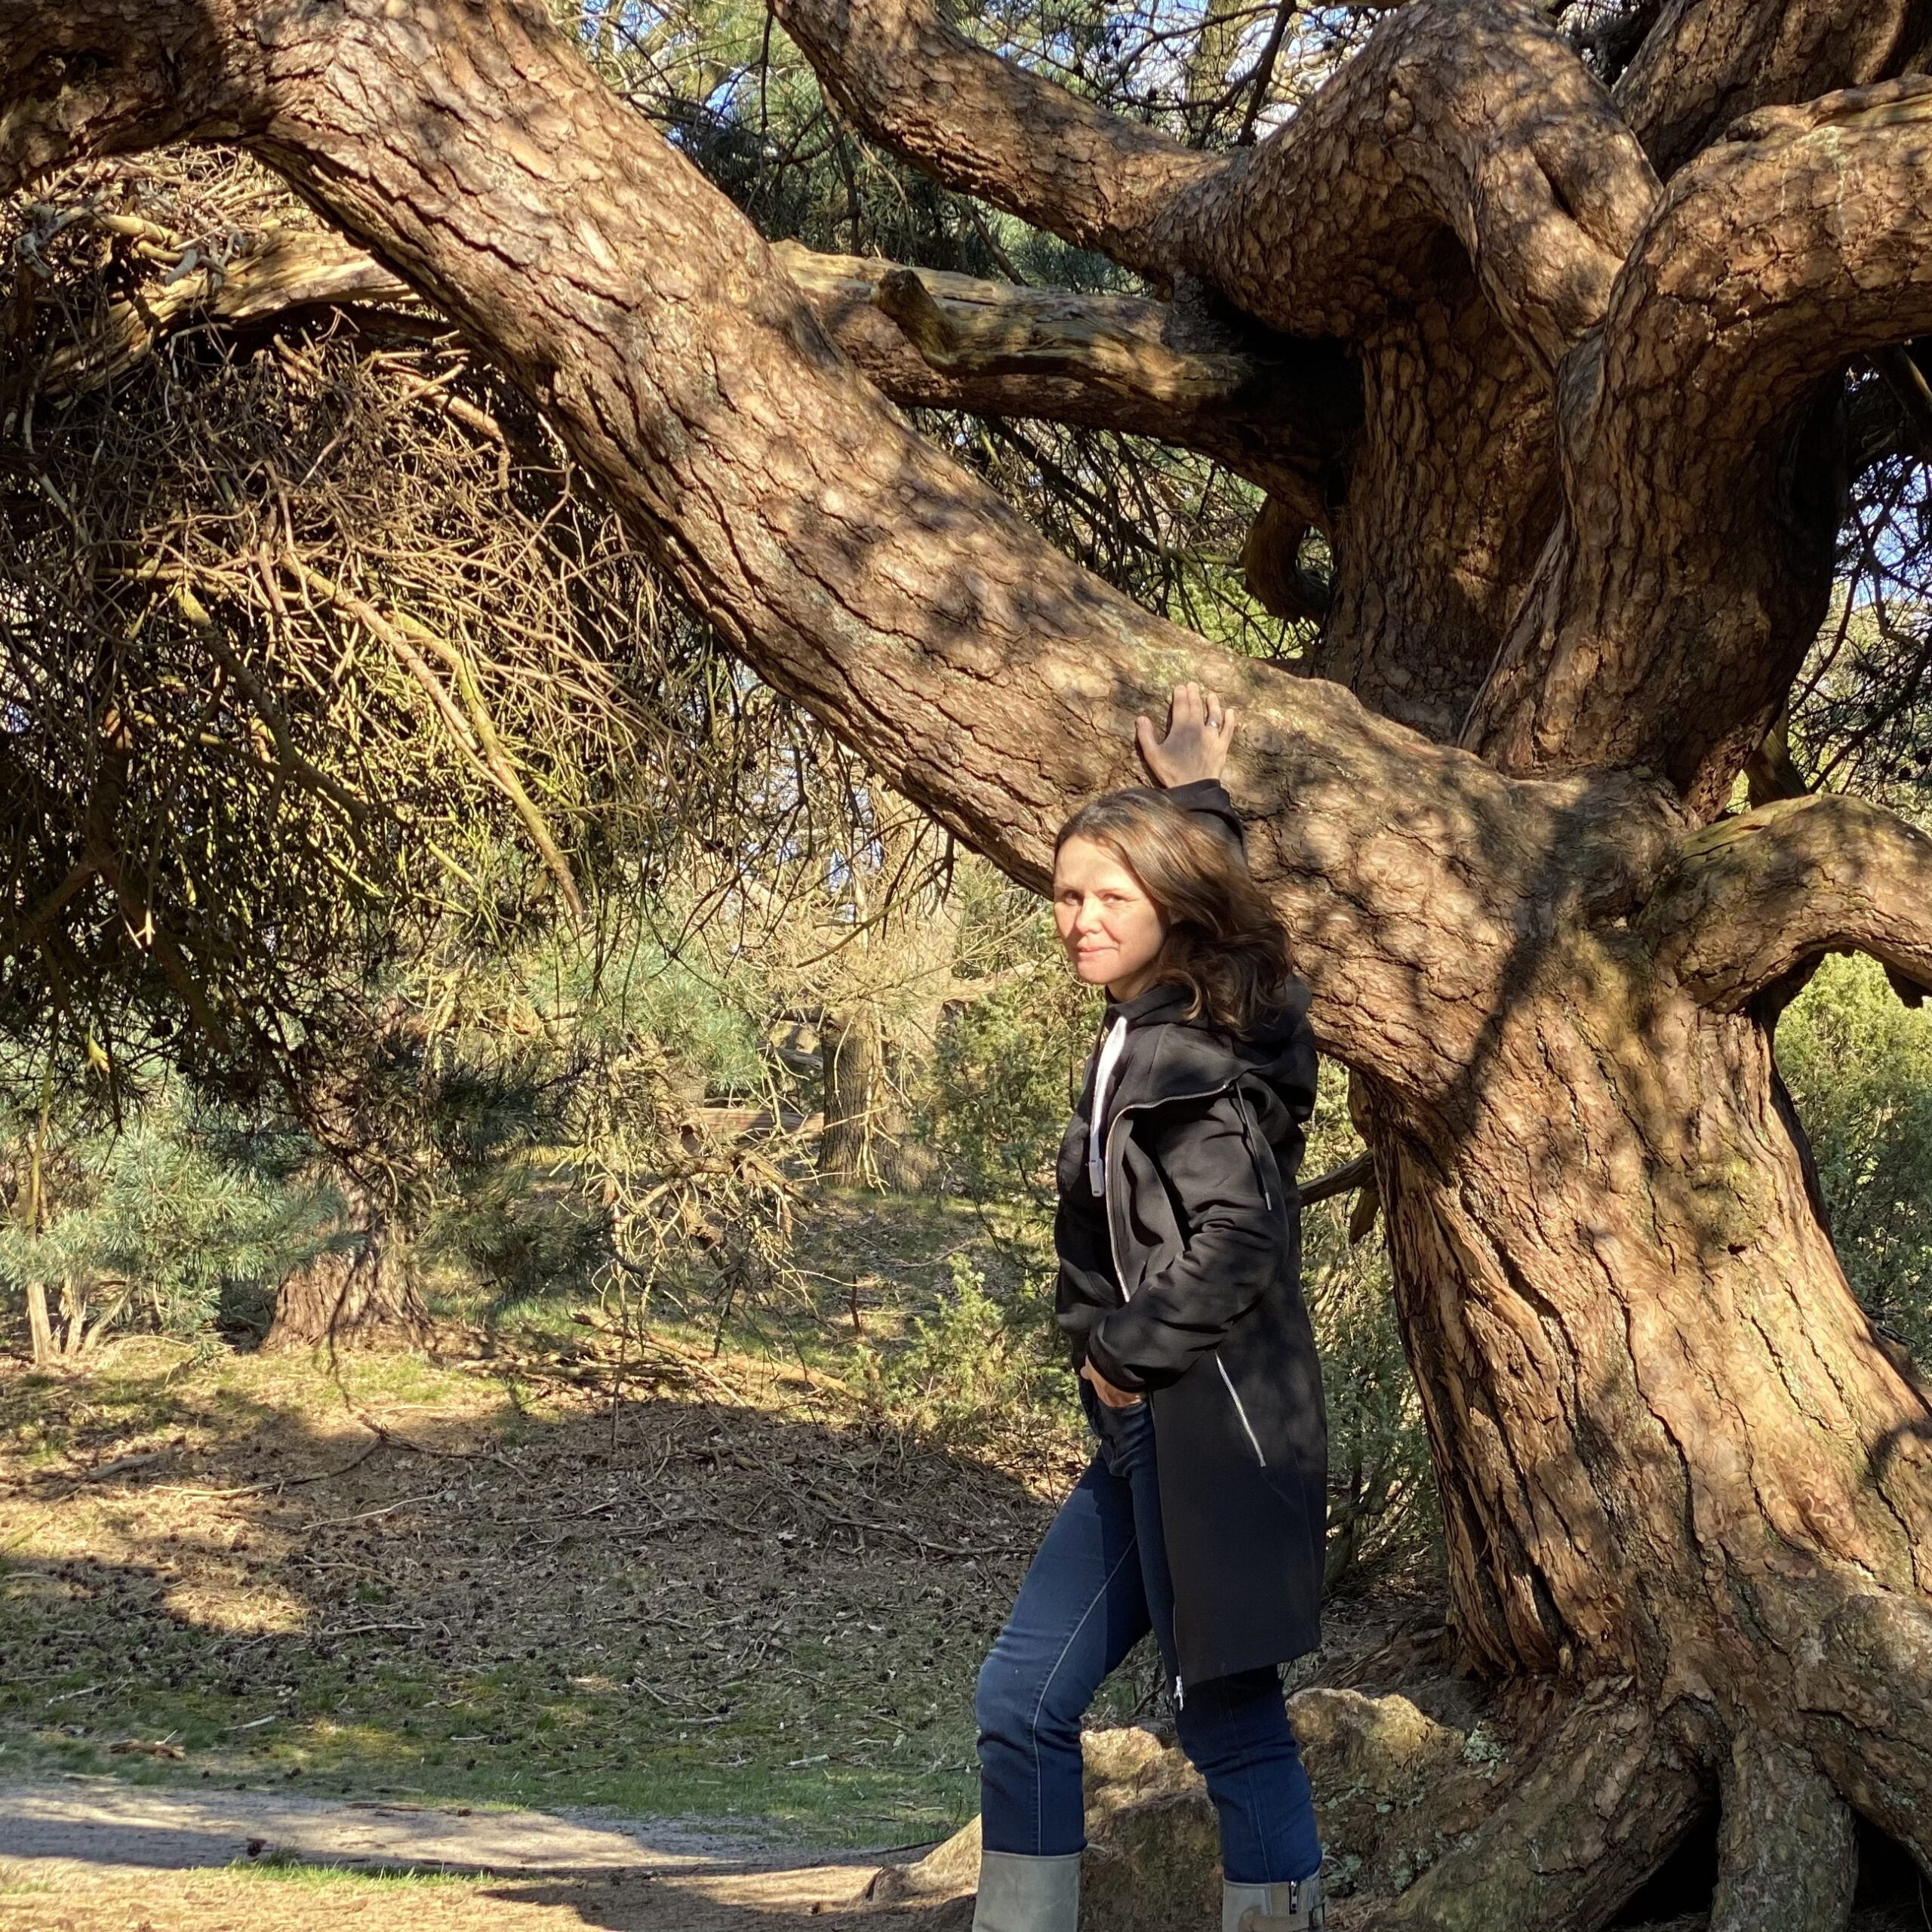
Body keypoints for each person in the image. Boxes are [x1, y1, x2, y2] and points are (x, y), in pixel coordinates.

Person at [972, 685, 1327, 1932]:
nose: (1076, 920)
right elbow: (1259, 967)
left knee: (1231, 1722)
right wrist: (1196, 803)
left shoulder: (1185, 1054)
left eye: (1106, 899)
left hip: (1212, 1436)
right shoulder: (1183, 1022)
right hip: (1145, 1441)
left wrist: (1123, 1353)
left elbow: (1237, 1237)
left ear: (1167, 911)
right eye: (1065, 896)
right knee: (1022, 1699)